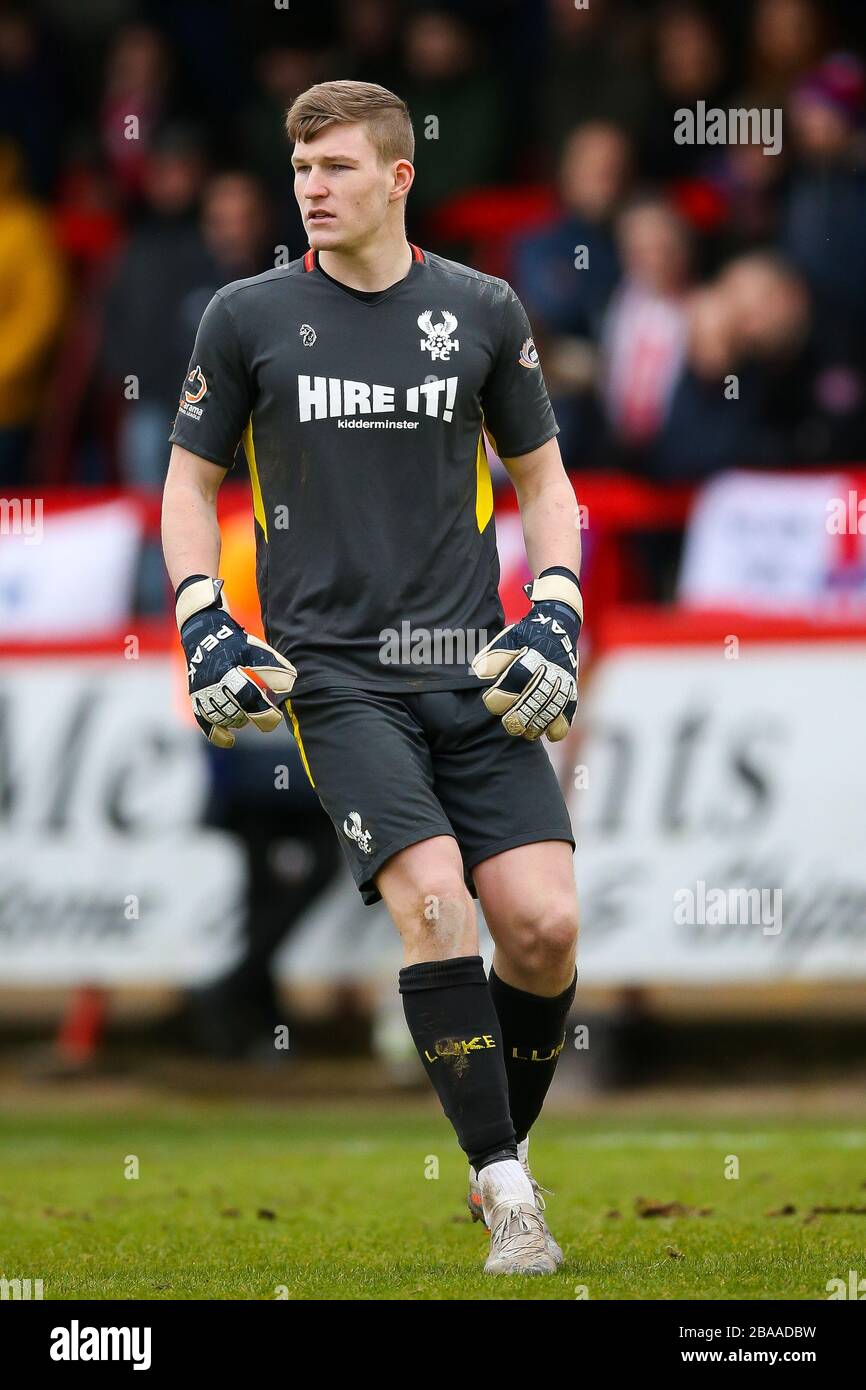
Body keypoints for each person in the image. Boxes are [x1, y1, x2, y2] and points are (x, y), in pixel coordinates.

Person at [161, 79, 581, 1276]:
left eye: (337, 167)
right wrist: (203, 618)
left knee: (543, 932)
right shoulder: (243, 316)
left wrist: (552, 609)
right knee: (435, 903)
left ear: (398, 177)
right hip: (332, 676)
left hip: (474, 669)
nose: (312, 188)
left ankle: (491, 1149)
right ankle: (510, 1196)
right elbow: (188, 490)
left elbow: (547, 484)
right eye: (301, 169)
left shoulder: (483, 308)